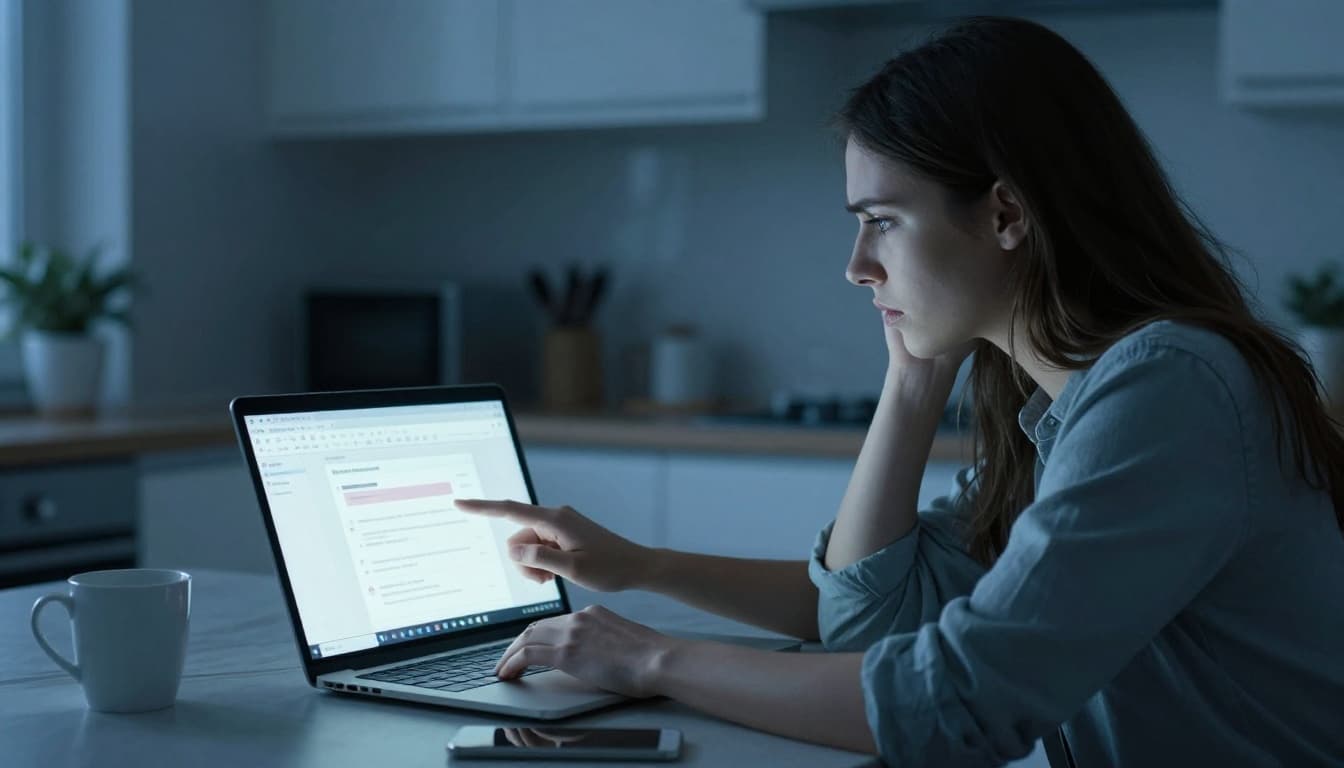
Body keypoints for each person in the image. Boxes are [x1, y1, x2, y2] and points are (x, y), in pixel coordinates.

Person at [455, 16, 1344, 767]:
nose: (856, 266)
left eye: (882, 221)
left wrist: (653, 660)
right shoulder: (1063, 410)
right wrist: (913, 378)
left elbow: (959, 703)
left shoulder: (1168, 387)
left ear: (1006, 214)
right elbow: (872, 616)